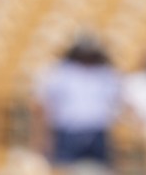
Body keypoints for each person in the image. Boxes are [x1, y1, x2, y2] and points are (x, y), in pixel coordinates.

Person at [32, 34, 122, 171]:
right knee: (64, 169)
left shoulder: (106, 73)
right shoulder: (60, 72)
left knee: (101, 170)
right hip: (68, 132)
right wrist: (43, 137)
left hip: (97, 132)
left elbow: (117, 103)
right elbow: (44, 105)